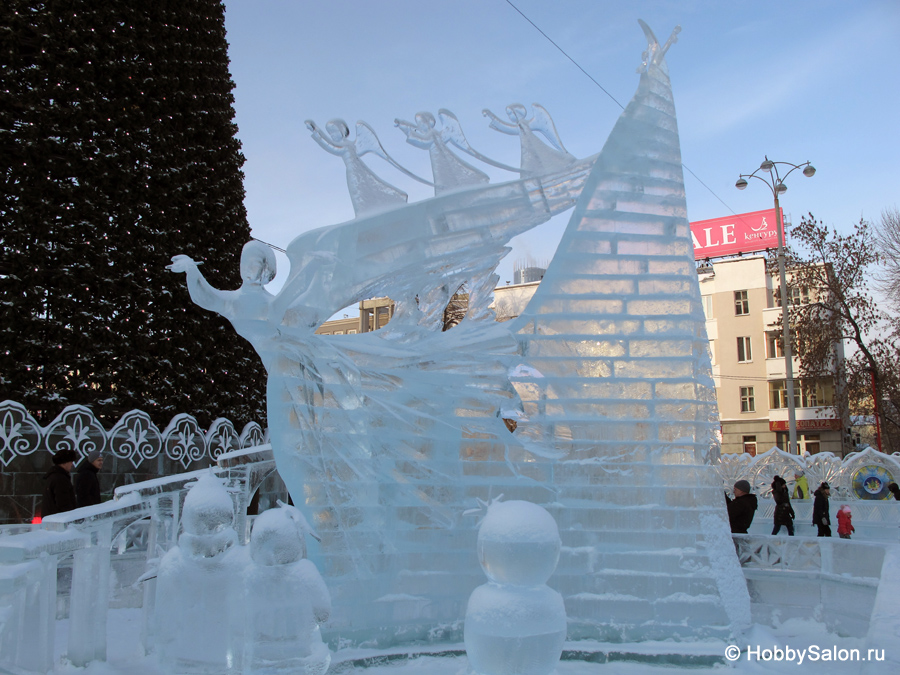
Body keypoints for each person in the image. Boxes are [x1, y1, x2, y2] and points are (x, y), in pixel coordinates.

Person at [41, 449, 78, 517]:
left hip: (52, 518)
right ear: (64, 463)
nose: (72, 464)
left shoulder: (54, 476)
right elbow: (63, 502)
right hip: (58, 519)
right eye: (71, 461)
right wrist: (71, 516)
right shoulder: (60, 478)